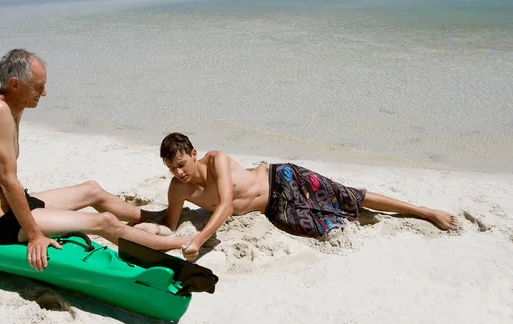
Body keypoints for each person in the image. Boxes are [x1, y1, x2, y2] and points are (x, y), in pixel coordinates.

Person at [0, 49, 186, 271]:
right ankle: (180, 244)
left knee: (91, 190)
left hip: (14, 205)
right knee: (104, 221)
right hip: (2, 222)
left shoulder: (10, 107)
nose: (44, 93)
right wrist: (34, 235)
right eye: (38, 87)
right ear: (15, 84)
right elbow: (7, 181)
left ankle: (155, 217)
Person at [135, 132, 459, 260]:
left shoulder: (216, 159)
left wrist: (201, 238)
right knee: (327, 227)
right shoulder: (178, 188)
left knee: (350, 198)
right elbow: (170, 222)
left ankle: (425, 212)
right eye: (171, 169)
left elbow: (226, 205)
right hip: (273, 210)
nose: (179, 173)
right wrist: (132, 224)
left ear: (193, 153)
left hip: (283, 178)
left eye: (181, 164)